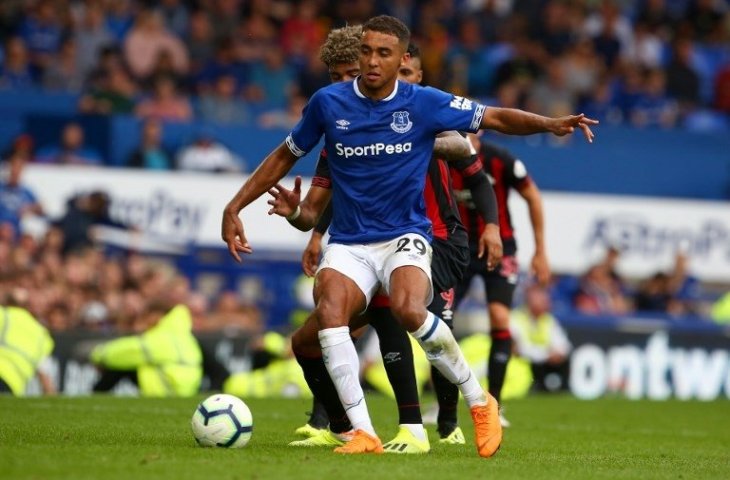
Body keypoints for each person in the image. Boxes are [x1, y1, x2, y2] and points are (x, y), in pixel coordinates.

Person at [221, 15, 598, 457]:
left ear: (403, 58)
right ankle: (362, 433)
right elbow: (285, 155)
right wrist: (235, 206)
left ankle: (480, 401)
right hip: (349, 242)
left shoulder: (423, 103)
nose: (373, 61)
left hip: (405, 235)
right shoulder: (328, 104)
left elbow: (493, 117)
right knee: (329, 311)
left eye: (384, 53)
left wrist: (550, 124)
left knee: (405, 309)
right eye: (366, 51)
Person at [277, 37, 502, 453]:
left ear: (413, 75)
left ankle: (425, 426)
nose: (353, 82)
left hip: (434, 236)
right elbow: (338, 192)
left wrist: (491, 225)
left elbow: (471, 163)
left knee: (393, 311)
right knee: (313, 335)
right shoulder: (341, 124)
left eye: (403, 73)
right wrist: (313, 232)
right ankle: (340, 424)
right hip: (364, 241)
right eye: (340, 77)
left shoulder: (426, 113)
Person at [445, 133, 551, 428]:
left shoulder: (501, 159)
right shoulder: (441, 158)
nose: (469, 141)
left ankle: (495, 406)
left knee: (500, 319)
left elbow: (532, 195)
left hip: (500, 247)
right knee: (441, 323)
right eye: (461, 135)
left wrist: (541, 250)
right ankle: (444, 407)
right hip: (459, 250)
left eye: (473, 135)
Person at [90, 303, 202, 397]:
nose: (145, 320)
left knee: (122, 363)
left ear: (157, 315)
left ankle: (95, 396)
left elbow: (126, 351)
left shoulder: (158, 337)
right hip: (188, 389)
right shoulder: (185, 335)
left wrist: (97, 355)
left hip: (168, 388)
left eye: (146, 316)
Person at [510, 284, 571, 392]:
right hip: (523, 365)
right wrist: (545, 354)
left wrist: (557, 354)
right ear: (530, 302)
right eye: (543, 300)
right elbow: (517, 349)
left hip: (544, 363)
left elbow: (564, 345)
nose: (548, 303)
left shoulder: (548, 320)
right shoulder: (515, 318)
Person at [0, 293, 55, 396]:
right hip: (12, 385)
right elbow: (45, 380)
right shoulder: (42, 334)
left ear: (6, 303)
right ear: (27, 307)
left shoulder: (3, 315)